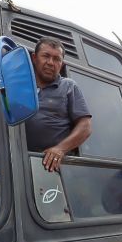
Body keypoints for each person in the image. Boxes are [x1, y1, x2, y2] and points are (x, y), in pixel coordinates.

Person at [24, 37, 92, 171]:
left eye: (56, 59)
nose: (50, 62)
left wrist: (59, 149)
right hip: (19, 162)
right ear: (34, 58)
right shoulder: (21, 85)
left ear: (61, 64)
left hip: (51, 168)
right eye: (46, 56)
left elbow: (86, 126)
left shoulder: (68, 86)